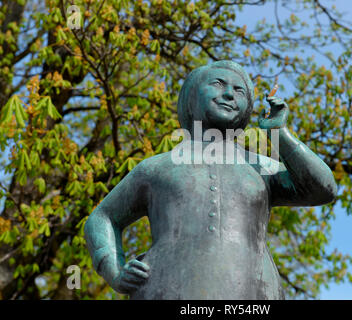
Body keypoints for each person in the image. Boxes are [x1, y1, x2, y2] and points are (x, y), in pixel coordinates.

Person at [84, 60, 337, 299]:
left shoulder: (260, 167)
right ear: (192, 96)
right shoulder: (156, 168)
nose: (229, 94)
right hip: (165, 288)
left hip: (252, 292)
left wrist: (279, 133)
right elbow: (103, 217)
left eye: (239, 91)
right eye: (217, 84)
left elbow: (323, 189)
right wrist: (114, 269)